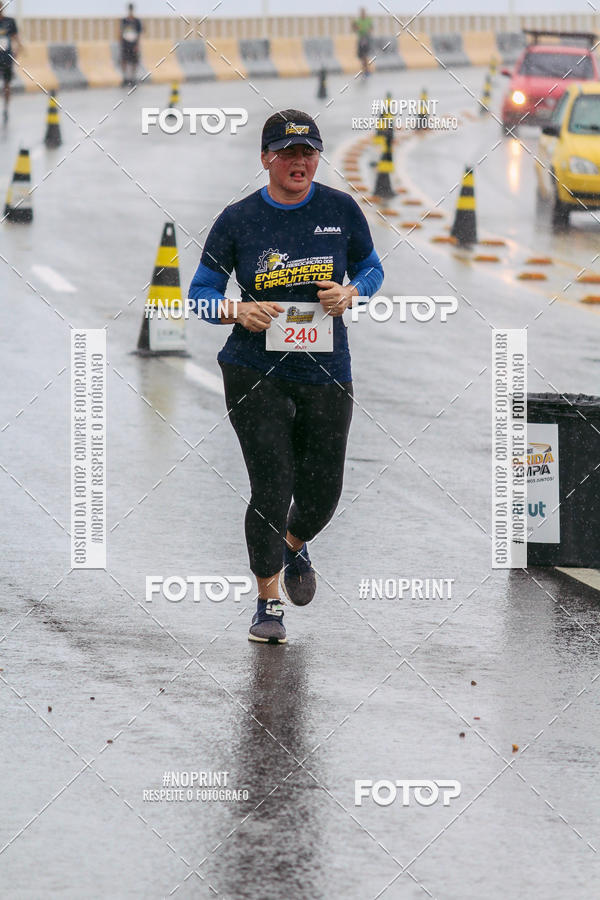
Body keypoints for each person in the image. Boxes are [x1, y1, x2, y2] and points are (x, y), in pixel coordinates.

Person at [189, 109, 384, 645]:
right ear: (265, 159)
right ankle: (267, 602)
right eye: (287, 152)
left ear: (317, 157)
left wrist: (354, 292)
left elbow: (372, 269)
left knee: (322, 495)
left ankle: (293, 544)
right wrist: (235, 311)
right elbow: (200, 293)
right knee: (271, 486)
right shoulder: (238, 219)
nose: (299, 162)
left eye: (308, 152)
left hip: (326, 369)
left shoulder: (340, 210)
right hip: (254, 370)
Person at [0, 4, 20, 124]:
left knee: (7, 85)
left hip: (6, 58)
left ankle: (6, 108)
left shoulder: (10, 21)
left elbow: (16, 38)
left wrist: (16, 51)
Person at [120, 3, 142, 87]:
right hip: (125, 43)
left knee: (134, 61)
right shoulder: (124, 20)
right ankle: (125, 78)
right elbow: (120, 31)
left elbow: (139, 33)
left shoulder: (137, 21)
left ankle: (133, 78)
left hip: (133, 43)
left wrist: (137, 45)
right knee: (124, 60)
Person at [352, 7, 374, 77]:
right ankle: (364, 70)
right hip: (361, 38)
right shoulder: (358, 20)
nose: (363, 14)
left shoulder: (368, 20)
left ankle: (367, 70)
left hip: (366, 38)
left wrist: (366, 30)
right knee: (361, 56)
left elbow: (371, 28)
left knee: (365, 55)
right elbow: (354, 28)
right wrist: (357, 27)